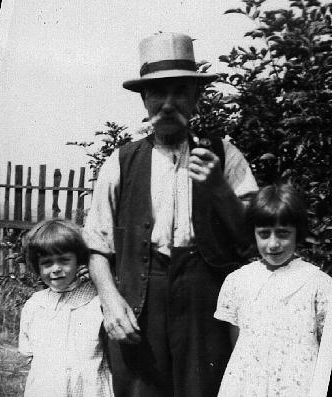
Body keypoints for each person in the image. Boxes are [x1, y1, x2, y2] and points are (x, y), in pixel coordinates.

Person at [83, 32, 258, 397]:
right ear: (144, 99)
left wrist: (218, 190)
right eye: (158, 93)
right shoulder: (121, 161)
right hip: (139, 299)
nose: (168, 104)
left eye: (179, 92)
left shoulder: (226, 156)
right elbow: (97, 246)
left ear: (196, 98)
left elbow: (249, 239)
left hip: (206, 299)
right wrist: (110, 301)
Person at [214, 183, 332, 396]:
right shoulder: (239, 281)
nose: (273, 244)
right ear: (253, 234)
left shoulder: (318, 284)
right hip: (249, 385)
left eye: (283, 233)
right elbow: (237, 341)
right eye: (264, 234)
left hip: (299, 385)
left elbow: (327, 349)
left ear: (298, 232)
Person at [18, 219, 113, 397]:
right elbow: (28, 351)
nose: (56, 269)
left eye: (64, 260)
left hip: (89, 389)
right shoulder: (35, 305)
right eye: (47, 263)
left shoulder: (96, 301)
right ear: (37, 266)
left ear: (79, 260)